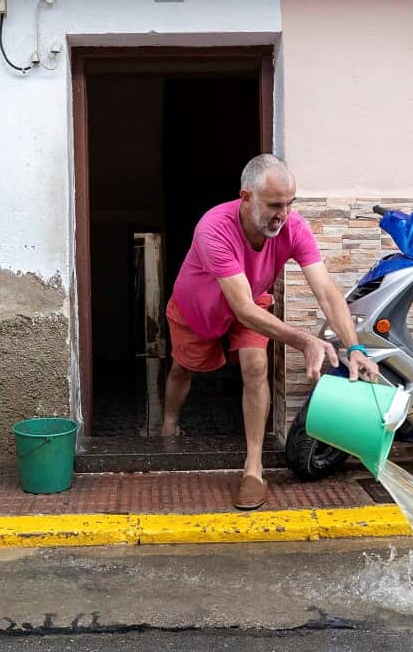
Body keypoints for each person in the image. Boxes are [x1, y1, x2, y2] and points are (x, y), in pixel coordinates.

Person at [162, 154, 380, 510]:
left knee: (256, 366)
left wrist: (355, 348)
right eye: (275, 204)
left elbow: (326, 291)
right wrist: (304, 340)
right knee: (182, 368)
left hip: (249, 303)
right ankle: (168, 425)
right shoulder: (213, 227)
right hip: (197, 310)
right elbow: (242, 308)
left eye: (290, 203)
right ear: (246, 197)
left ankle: (253, 467)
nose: (284, 213)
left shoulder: (294, 228)